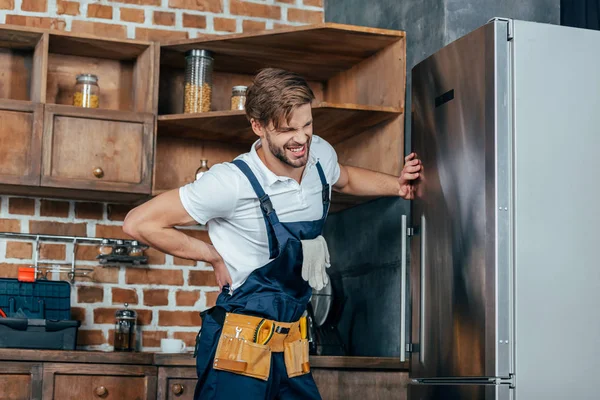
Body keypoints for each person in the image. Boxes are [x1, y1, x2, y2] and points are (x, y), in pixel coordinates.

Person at [123, 68, 422, 399]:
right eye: (287, 130)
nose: (301, 139)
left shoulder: (319, 154)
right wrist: (211, 254)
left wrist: (396, 184)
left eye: (307, 125)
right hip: (239, 346)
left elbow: (346, 178)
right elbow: (139, 222)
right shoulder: (230, 182)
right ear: (258, 126)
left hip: (291, 344)